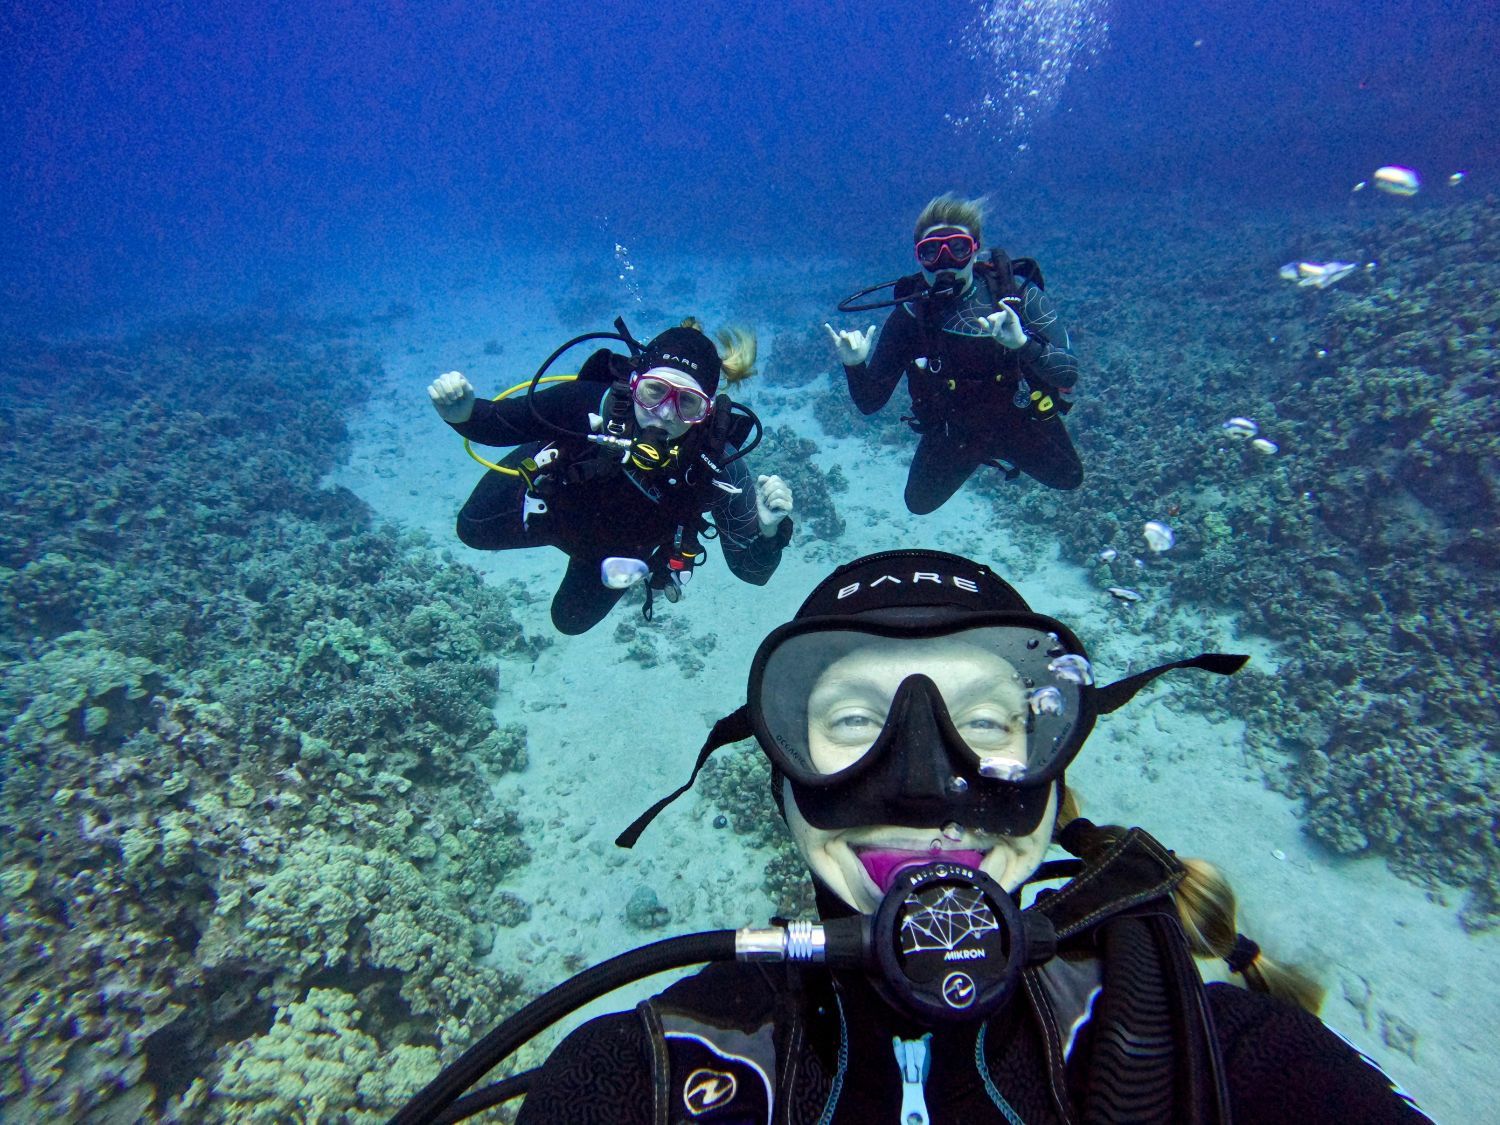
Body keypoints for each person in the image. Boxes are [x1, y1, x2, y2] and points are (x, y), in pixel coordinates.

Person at [502, 550, 1429, 1123]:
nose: (922, 787)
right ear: (783, 782)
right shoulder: (645, 1076)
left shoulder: (1216, 1055)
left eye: (985, 726)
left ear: (1053, 778)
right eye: (857, 722)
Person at [428, 321, 794, 634]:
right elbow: (498, 424)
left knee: (569, 621)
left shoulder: (718, 468)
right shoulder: (587, 404)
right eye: (654, 391)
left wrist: (768, 532)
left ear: (708, 410)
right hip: (548, 507)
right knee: (471, 529)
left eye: (688, 402)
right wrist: (461, 413)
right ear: (634, 382)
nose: (664, 414)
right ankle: (551, 453)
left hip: (612, 551)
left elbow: (753, 572)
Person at [827, 194, 1083, 514]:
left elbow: (1068, 373)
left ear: (975, 249)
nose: (946, 261)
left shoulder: (1019, 297)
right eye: (931, 252)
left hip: (1018, 420)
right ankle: (977, 452)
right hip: (954, 429)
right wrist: (854, 365)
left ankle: (998, 448)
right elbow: (870, 402)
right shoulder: (910, 316)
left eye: (958, 248)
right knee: (918, 503)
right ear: (919, 259)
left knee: (1070, 477)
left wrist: (1022, 342)